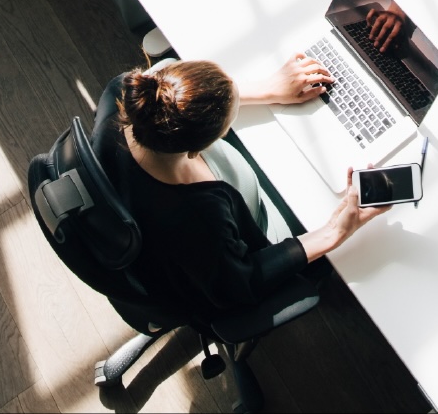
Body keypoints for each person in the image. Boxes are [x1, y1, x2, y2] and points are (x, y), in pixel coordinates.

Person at [94, 54, 386, 322]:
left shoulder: (121, 96)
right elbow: (240, 283)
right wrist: (335, 232)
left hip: (128, 229)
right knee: (311, 209)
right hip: (201, 276)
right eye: (226, 124)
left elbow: (167, 78)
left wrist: (269, 88)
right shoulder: (198, 214)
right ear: (200, 149)